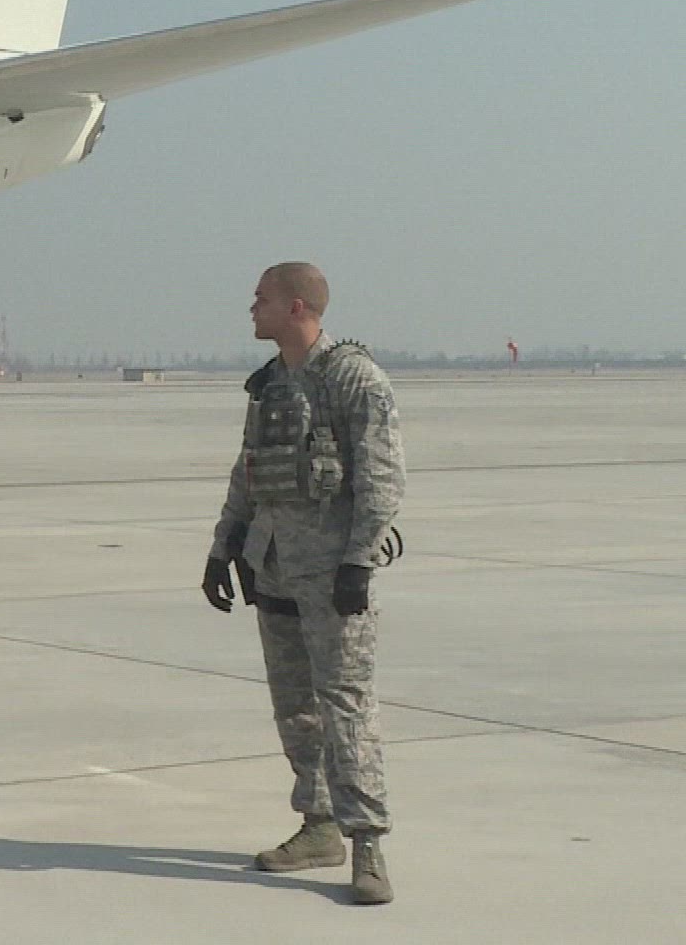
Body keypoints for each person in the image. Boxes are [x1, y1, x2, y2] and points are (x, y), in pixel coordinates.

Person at [203, 262, 405, 905]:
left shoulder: (352, 378)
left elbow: (382, 475)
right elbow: (249, 471)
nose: (251, 307)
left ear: (295, 307)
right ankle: (318, 826)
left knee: (346, 704)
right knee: (294, 704)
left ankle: (367, 843)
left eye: (260, 298)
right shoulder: (269, 384)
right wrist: (223, 546)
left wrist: (359, 561)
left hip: (331, 572)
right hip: (273, 566)